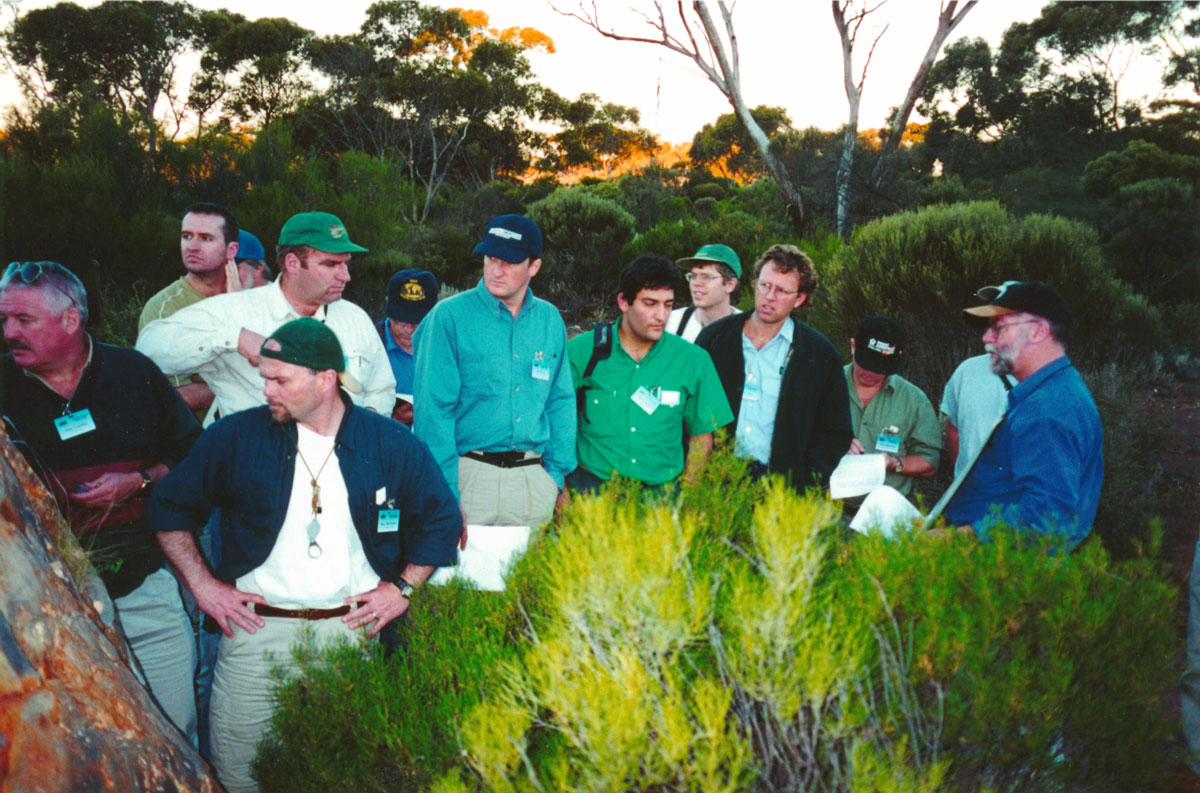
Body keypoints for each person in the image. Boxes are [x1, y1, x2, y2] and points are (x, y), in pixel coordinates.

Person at [146, 318, 460, 793]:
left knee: (345, 776)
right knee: (241, 776)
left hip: (350, 636)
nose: (267, 389)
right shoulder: (236, 437)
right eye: (265, 377)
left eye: (280, 379)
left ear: (325, 379)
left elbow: (442, 520)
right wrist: (203, 585)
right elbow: (168, 506)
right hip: (255, 637)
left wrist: (402, 589)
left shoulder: (388, 443)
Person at [0, 261, 200, 743]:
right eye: (4, 320)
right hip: (43, 609)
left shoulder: (133, 373)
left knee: (173, 733)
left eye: (23, 321)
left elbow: (194, 454)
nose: (9, 332)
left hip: (144, 589)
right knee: (82, 745)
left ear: (70, 319)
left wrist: (140, 480)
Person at [136, 211, 396, 425]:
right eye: (331, 264)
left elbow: (380, 388)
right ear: (292, 264)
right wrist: (235, 338)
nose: (345, 276)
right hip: (259, 473)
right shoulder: (234, 312)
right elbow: (149, 348)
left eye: (346, 264)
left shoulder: (355, 318)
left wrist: (367, 421)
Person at [413, 215, 575, 528]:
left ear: (534, 267)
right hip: (468, 478)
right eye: (490, 258)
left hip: (533, 480)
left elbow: (560, 400)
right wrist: (446, 491)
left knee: (527, 577)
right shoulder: (448, 318)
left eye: (509, 262)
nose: (496, 270)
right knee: (461, 577)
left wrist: (555, 477)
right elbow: (434, 413)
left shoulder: (549, 319)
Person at [943, 280, 1102, 550]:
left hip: (1009, 570)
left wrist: (953, 538)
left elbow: (1044, 520)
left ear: (1038, 331)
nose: (986, 338)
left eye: (999, 328)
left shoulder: (1047, 409)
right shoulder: (1052, 391)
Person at [567, 255, 732, 491]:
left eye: (668, 304)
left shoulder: (693, 360)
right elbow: (555, 422)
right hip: (592, 494)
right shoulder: (581, 352)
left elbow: (702, 436)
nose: (661, 316)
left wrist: (686, 498)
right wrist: (563, 493)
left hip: (659, 502)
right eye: (650, 303)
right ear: (624, 302)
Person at [696, 244, 852, 490]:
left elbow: (835, 432)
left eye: (782, 291)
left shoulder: (819, 356)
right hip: (717, 480)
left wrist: (806, 484)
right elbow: (692, 411)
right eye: (765, 285)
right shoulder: (714, 339)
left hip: (780, 488)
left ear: (799, 298)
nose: (770, 297)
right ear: (755, 283)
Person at [139, 202, 241, 422]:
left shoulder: (247, 298)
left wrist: (238, 305)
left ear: (231, 250)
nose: (192, 246)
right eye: (186, 236)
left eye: (206, 238)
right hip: (197, 437)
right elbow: (173, 395)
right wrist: (239, 383)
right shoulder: (163, 309)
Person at [843, 316, 940, 500]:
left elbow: (930, 463)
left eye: (880, 366)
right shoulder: (824, 386)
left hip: (887, 511)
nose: (871, 373)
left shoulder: (914, 400)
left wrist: (893, 463)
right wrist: (831, 446)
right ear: (853, 347)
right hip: (828, 509)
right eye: (866, 363)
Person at [940, 352, 1016, 479]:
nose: (987, 337)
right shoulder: (967, 370)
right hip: (973, 491)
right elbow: (953, 429)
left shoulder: (1051, 374)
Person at [378, 269, 438, 426]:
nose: (409, 330)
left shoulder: (446, 345)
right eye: (401, 321)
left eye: (418, 322)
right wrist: (394, 421)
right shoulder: (370, 344)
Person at [667, 243, 741, 342]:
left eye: (706, 277)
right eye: (693, 276)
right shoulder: (671, 323)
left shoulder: (745, 329)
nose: (696, 283)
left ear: (730, 285)